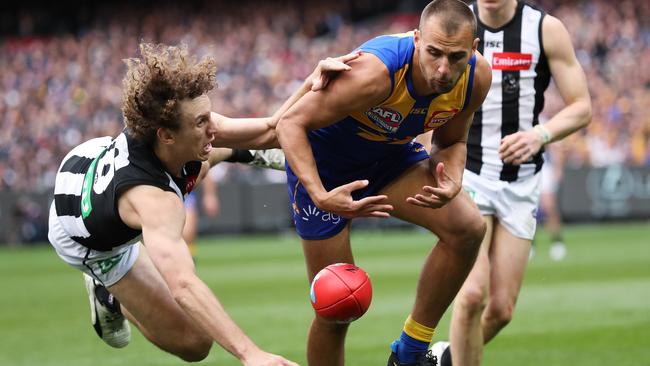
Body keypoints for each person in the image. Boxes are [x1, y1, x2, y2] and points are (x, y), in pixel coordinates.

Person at [47, 42, 357, 365]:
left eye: (208, 115)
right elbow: (183, 284)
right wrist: (251, 354)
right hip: (82, 235)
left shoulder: (173, 127)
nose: (213, 126)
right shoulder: (155, 201)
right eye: (200, 122)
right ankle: (108, 294)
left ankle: (257, 156)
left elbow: (270, 127)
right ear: (166, 135)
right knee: (195, 343)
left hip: (88, 161)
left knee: (207, 153)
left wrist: (311, 81)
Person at [276, 0, 492, 365]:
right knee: (336, 307)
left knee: (468, 228)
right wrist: (319, 194)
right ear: (417, 39)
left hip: (388, 158)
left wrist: (453, 178)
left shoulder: (476, 78)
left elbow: (451, 141)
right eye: (434, 53)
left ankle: (410, 353)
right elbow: (288, 124)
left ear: (473, 50)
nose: (443, 69)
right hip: (325, 169)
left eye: (455, 57)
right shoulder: (376, 72)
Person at [424, 1, 592, 365]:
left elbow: (582, 107)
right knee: (471, 297)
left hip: (522, 182)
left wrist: (540, 134)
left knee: (500, 310)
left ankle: (446, 358)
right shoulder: (457, 26)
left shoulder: (545, 29)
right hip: (468, 174)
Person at [539, 145, 567, 261]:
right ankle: (530, 244)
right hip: (522, 167)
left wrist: (558, 168)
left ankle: (557, 241)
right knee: (528, 210)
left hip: (543, 166)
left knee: (549, 206)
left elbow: (556, 145)